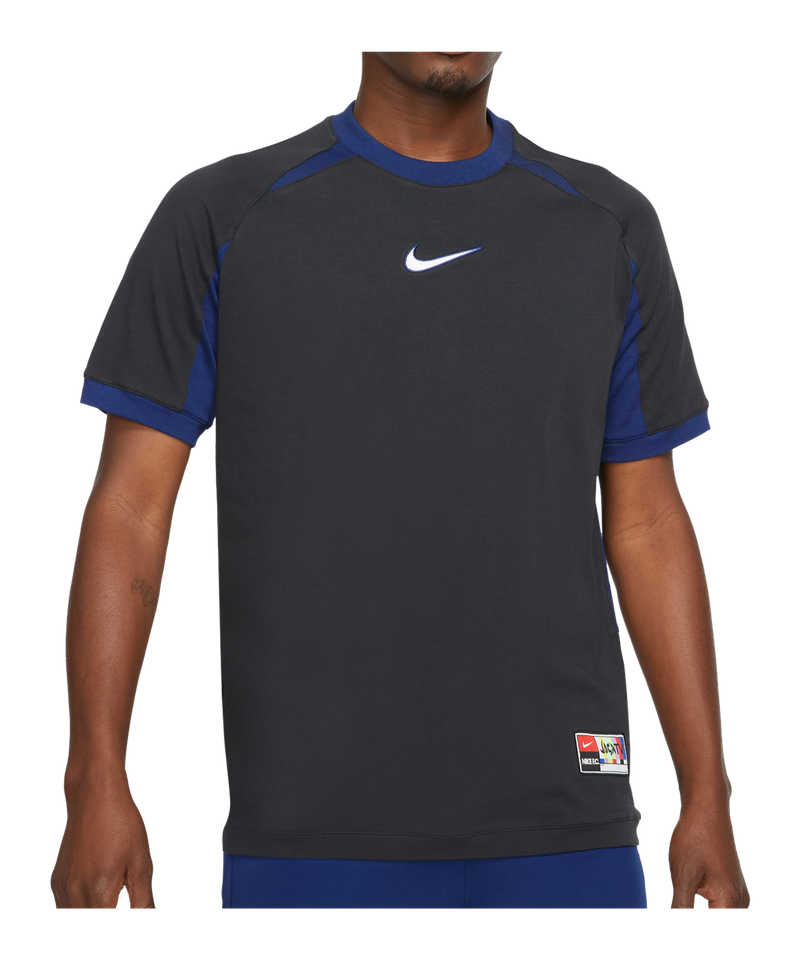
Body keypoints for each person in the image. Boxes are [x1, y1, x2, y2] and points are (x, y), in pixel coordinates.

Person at [50, 49, 750, 911]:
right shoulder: (225, 212)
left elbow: (647, 521)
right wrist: (95, 777)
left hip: (569, 818)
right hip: (310, 829)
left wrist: (707, 793)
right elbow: (130, 507)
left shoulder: (609, 223)